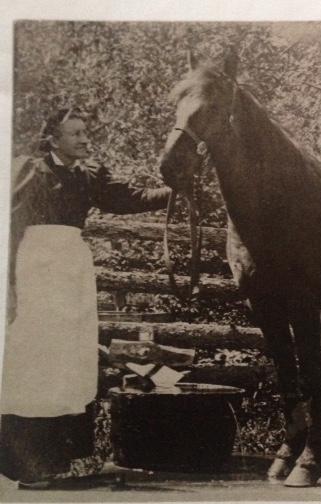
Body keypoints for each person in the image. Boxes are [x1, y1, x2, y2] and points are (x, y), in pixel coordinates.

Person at [0, 107, 172, 488]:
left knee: (70, 356)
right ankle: (24, 461)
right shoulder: (30, 170)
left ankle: (62, 459)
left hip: (72, 268)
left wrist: (176, 191)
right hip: (34, 266)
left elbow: (131, 197)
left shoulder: (90, 175)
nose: (83, 139)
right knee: (35, 356)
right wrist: (8, 286)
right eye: (74, 133)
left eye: (84, 132)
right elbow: (8, 228)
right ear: (53, 139)